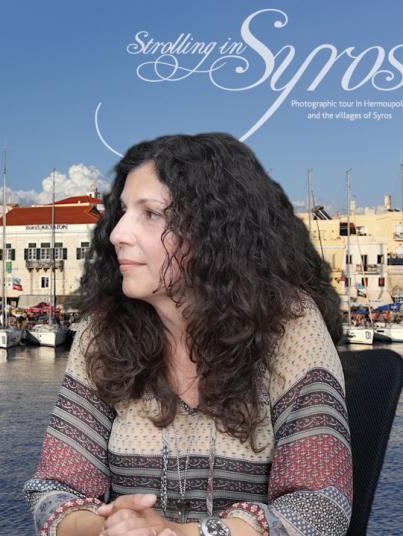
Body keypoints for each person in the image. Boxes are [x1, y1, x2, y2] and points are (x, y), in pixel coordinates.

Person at [24, 133, 351, 536]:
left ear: (215, 230)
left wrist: (184, 534)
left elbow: (321, 509)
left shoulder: (290, 324)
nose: (117, 233)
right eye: (123, 212)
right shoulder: (103, 331)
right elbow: (54, 489)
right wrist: (106, 528)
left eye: (150, 214)